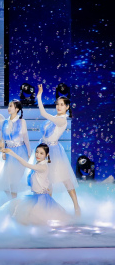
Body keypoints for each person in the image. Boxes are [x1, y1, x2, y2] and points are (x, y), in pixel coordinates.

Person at [32, 84, 81, 215]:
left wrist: (39, 96)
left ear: (67, 107)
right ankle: (48, 208)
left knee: (65, 179)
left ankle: (76, 206)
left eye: (62, 105)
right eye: (57, 104)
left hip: (54, 151)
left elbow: (43, 113)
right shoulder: (55, 118)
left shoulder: (62, 120)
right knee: (46, 180)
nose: (59, 107)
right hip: (45, 149)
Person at [1, 144, 69, 226]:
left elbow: (26, 164)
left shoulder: (43, 166)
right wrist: (46, 187)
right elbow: (44, 180)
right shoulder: (39, 164)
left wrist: (11, 153)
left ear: (46, 155)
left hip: (41, 199)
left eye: (41, 153)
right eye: (37, 152)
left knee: (33, 219)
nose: (38, 155)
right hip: (36, 197)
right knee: (21, 214)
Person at [0, 100, 31, 198]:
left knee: (15, 179)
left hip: (20, 151)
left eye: (11, 106)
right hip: (8, 152)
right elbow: (2, 138)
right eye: (8, 106)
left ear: (17, 109)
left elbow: (26, 138)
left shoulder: (22, 121)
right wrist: (3, 152)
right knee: (6, 181)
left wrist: (29, 153)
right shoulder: (5, 122)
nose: (9, 108)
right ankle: (11, 200)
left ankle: (14, 201)